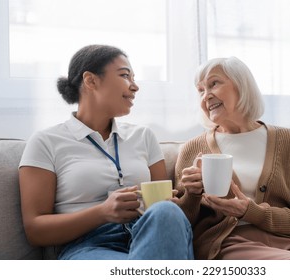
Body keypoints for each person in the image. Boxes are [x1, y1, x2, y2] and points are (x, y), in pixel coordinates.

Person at [174, 56, 290, 260]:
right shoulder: (193, 149)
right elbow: (179, 226)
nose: (206, 96)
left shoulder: (288, 141)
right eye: (200, 90)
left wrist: (252, 211)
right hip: (229, 244)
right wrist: (192, 195)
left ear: (242, 85)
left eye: (214, 84)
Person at [19, 44, 193, 260]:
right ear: (91, 80)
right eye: (125, 75)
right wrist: (102, 212)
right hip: (89, 246)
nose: (135, 86)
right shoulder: (46, 142)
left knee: (166, 212)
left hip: (150, 234)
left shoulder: (144, 137)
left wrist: (173, 206)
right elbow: (35, 230)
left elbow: (164, 206)